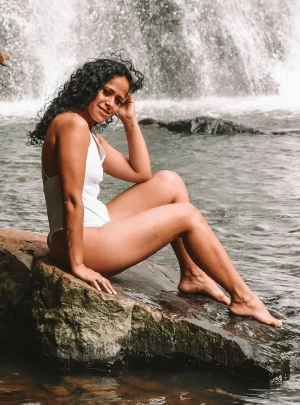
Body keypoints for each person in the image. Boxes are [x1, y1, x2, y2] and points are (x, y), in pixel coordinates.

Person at [28, 57, 281, 327]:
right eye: (106, 92)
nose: (110, 104)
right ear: (89, 87)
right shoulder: (72, 125)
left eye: (118, 100)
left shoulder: (87, 132)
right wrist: (78, 265)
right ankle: (243, 297)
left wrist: (129, 121)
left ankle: (192, 273)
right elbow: (71, 198)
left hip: (93, 226)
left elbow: (140, 173)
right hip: (81, 242)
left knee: (169, 182)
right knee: (187, 216)